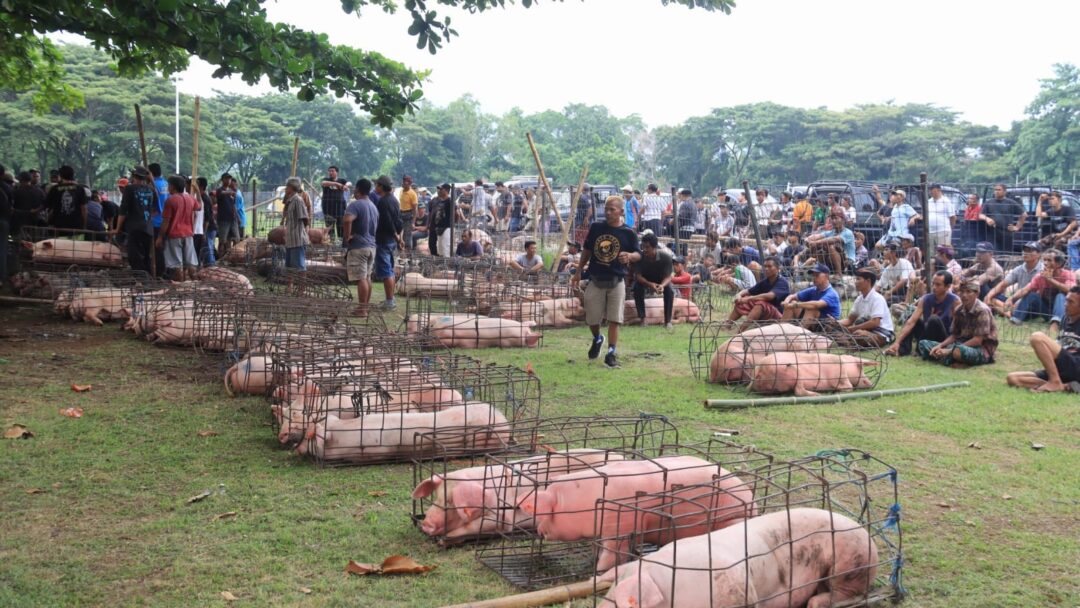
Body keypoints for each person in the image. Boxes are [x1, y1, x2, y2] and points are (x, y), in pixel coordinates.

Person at [572, 195, 641, 368]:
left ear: (621, 211)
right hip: (596, 279)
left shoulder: (628, 232)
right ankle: (597, 338)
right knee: (592, 318)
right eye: (606, 209)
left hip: (617, 280)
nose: (608, 212)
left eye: (612, 209)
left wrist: (630, 256)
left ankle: (611, 352)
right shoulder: (596, 227)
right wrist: (579, 271)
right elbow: (587, 250)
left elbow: (638, 253)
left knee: (614, 319)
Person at [1006, 286, 1080, 392]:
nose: (1065, 304)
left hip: (1075, 366)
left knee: (1037, 337)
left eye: (1071, 302)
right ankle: (1064, 386)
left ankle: (1054, 381)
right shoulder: (1065, 318)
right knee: (1012, 378)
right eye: (1066, 300)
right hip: (1061, 367)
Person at [917, 279, 998, 367]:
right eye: (962, 292)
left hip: (980, 348)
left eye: (968, 292)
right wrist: (940, 345)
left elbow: (978, 340)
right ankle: (949, 358)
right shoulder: (959, 309)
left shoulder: (982, 311)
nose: (964, 295)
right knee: (923, 344)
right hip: (960, 343)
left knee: (957, 351)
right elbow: (954, 335)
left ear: (977, 294)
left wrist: (951, 350)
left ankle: (950, 358)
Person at [885, 271, 959, 357]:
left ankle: (922, 350)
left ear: (948, 286)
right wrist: (897, 342)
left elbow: (957, 328)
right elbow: (911, 321)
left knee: (933, 319)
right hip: (927, 331)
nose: (934, 287)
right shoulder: (926, 299)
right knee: (911, 318)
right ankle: (901, 349)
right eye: (933, 284)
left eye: (938, 285)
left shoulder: (955, 301)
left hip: (943, 337)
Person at [1006, 248, 1075, 331]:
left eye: (1049, 260)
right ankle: (1015, 320)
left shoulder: (1068, 274)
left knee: (1060, 295)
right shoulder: (1040, 276)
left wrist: (1050, 279)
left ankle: (1056, 324)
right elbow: (1026, 289)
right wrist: (1011, 299)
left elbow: (1070, 290)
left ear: (1059, 264)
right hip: (1046, 310)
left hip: (1065, 312)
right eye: (1044, 260)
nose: (1045, 263)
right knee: (1031, 295)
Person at [726, 256, 789, 330]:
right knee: (743, 299)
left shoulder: (782, 282)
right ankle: (728, 324)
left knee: (760, 304)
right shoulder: (765, 281)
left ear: (778, 268)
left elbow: (770, 296)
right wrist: (739, 295)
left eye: (769, 266)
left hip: (779, 316)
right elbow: (748, 290)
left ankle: (741, 330)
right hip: (766, 313)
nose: (766, 269)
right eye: (765, 266)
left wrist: (749, 299)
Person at [113, 166, 155, 274]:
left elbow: (123, 211)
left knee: (133, 255)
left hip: (135, 227)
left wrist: (117, 228)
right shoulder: (151, 189)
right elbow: (154, 209)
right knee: (146, 255)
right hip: (148, 227)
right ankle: (147, 277)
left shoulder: (129, 189)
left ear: (134, 177)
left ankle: (142, 278)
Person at [342, 178, 378, 308]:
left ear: (357, 189)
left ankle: (362, 310)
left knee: (361, 279)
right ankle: (364, 307)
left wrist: (347, 236)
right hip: (371, 246)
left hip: (359, 246)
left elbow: (347, 220)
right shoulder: (373, 206)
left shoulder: (355, 204)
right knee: (367, 277)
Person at [157, 175, 199, 281]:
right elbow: (199, 207)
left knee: (176, 265)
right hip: (188, 234)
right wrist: (197, 193)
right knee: (191, 263)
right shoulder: (190, 198)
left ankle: (180, 288)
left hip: (174, 235)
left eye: (169, 186)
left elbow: (166, 222)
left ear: (172, 186)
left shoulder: (170, 200)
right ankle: (195, 285)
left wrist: (160, 237)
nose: (168, 188)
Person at [840, 268, 895, 347]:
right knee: (835, 328)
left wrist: (854, 328)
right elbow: (849, 320)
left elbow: (875, 322)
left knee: (858, 334)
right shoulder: (859, 299)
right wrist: (836, 323)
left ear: (868, 281)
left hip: (880, 334)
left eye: (858, 279)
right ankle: (848, 341)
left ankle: (848, 341)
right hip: (866, 331)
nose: (856, 282)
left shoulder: (877, 298)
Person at [632, 232, 675, 329]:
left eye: (647, 247)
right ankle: (642, 319)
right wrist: (650, 284)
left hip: (661, 280)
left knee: (670, 291)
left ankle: (668, 321)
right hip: (644, 280)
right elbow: (638, 276)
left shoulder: (666, 257)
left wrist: (662, 286)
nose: (644, 249)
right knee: (637, 288)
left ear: (654, 247)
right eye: (643, 247)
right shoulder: (640, 257)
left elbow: (668, 276)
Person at [985, 241, 1042, 314]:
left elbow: (1038, 293)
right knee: (993, 296)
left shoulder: (1042, 269)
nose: (1025, 253)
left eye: (1029, 251)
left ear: (1038, 254)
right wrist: (988, 296)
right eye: (1024, 250)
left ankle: (1005, 310)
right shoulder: (1019, 268)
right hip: (1016, 299)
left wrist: (1014, 301)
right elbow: (1002, 285)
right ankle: (1008, 312)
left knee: (1026, 303)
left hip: (1032, 303)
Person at [373, 175, 403, 310]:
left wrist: (396, 236)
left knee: (386, 272)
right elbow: (398, 221)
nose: (375, 187)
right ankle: (390, 299)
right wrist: (398, 236)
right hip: (391, 240)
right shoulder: (394, 200)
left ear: (381, 186)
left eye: (377, 185)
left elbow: (387, 222)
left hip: (385, 239)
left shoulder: (383, 201)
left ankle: (390, 301)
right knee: (389, 269)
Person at [780, 263, 842, 328]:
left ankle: (800, 335)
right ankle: (781, 330)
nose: (814, 278)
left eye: (817, 275)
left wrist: (795, 305)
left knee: (811, 309)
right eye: (813, 275)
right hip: (815, 322)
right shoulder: (813, 290)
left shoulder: (832, 293)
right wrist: (786, 302)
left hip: (829, 325)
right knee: (792, 303)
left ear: (826, 276)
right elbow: (792, 296)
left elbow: (816, 305)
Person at [805, 214, 855, 278]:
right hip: (831, 260)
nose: (833, 221)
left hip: (847, 262)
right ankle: (821, 272)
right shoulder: (831, 232)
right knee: (820, 250)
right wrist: (808, 239)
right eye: (832, 219)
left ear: (843, 220)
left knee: (832, 246)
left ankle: (839, 274)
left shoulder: (848, 232)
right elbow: (817, 236)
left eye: (836, 218)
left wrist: (816, 242)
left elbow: (834, 239)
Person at [981, 183, 1025, 252]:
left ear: (1004, 191)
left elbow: (1024, 214)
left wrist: (1017, 227)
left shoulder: (1010, 202)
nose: (996, 191)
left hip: (1006, 233)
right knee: (992, 253)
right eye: (995, 190)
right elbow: (980, 215)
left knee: (1006, 254)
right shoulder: (989, 202)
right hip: (992, 232)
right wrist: (987, 218)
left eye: (999, 190)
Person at [911, 183, 955, 250]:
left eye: (933, 191)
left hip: (943, 230)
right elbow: (923, 215)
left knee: (943, 251)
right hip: (930, 231)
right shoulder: (928, 202)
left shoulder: (946, 201)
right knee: (930, 253)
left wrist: (950, 228)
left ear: (939, 190)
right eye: (930, 191)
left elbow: (952, 217)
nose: (931, 192)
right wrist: (915, 217)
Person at [45, 165, 88, 233]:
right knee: (76, 243)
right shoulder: (80, 189)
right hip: (77, 228)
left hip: (59, 227)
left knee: (60, 244)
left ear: (61, 176)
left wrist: (48, 221)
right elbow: (84, 209)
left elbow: (50, 208)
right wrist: (84, 226)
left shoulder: (54, 189)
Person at [279, 177, 309, 272]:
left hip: (297, 239)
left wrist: (302, 232)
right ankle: (290, 286)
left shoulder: (298, 200)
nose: (286, 189)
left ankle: (303, 286)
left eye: (287, 187)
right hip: (290, 238)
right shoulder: (289, 200)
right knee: (290, 267)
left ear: (292, 188)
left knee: (300, 267)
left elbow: (305, 218)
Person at [429, 183, 462, 257]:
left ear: (446, 191)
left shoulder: (450, 201)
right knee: (440, 249)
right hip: (438, 227)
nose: (439, 191)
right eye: (439, 189)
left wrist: (452, 225)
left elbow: (457, 214)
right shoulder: (438, 201)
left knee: (445, 248)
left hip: (447, 227)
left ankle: (447, 265)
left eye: (441, 189)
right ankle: (442, 265)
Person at [214, 173, 239, 260]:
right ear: (222, 180)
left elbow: (233, 205)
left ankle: (233, 257)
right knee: (222, 241)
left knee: (236, 239)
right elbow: (221, 193)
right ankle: (220, 259)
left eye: (229, 179)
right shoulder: (220, 190)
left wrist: (237, 217)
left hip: (232, 219)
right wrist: (231, 192)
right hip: (223, 219)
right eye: (226, 179)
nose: (228, 180)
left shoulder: (231, 192)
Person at [320, 166, 349, 240]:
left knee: (341, 228)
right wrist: (337, 184)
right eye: (329, 171)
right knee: (329, 229)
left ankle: (340, 244)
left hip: (339, 209)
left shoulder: (342, 180)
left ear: (337, 172)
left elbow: (349, 183)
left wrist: (346, 185)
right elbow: (323, 183)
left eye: (332, 171)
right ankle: (331, 244)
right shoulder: (326, 180)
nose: (330, 173)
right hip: (328, 209)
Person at [398, 175, 418, 246]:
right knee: (400, 233)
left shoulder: (412, 194)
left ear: (409, 183)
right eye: (403, 181)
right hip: (401, 213)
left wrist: (413, 222)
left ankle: (408, 252)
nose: (403, 183)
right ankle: (401, 250)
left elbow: (415, 209)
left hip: (408, 214)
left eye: (405, 181)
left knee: (407, 235)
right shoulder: (401, 191)